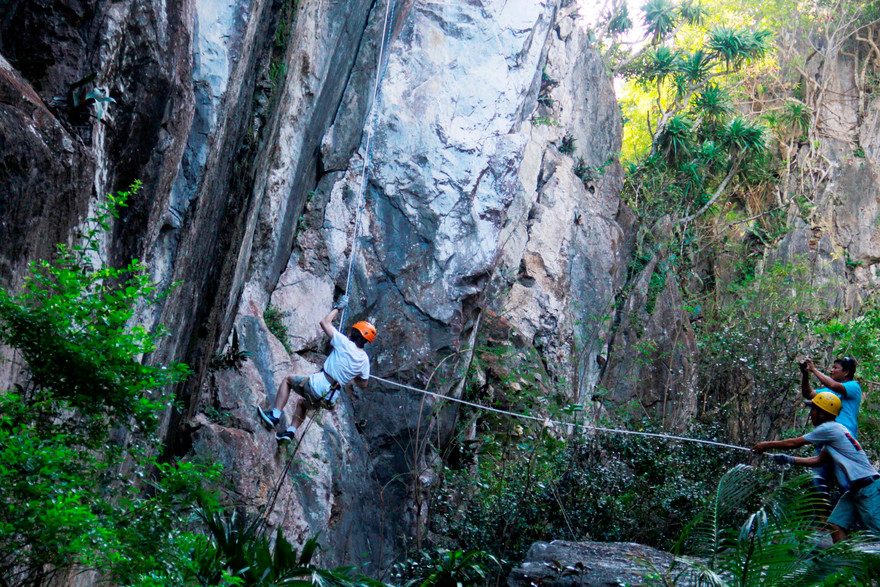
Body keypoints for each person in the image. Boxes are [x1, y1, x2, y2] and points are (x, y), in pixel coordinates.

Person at [753, 392, 880, 543]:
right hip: (856, 489)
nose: (811, 414)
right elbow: (819, 460)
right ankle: (844, 563)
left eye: (813, 410)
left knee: (877, 531)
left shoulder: (828, 428)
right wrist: (790, 460)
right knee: (836, 524)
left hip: (867, 488)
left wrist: (765, 445)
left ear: (823, 413)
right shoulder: (834, 432)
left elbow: (795, 443)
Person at [258, 295, 375, 443]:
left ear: (355, 333)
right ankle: (289, 432)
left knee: (288, 380)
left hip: (318, 385)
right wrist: (351, 373)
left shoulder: (344, 343)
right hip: (329, 398)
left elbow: (324, 323)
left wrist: (339, 307)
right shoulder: (364, 360)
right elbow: (363, 384)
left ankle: (274, 416)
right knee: (303, 403)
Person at [800, 357, 861, 492]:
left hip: (844, 441)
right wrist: (805, 374)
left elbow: (834, 385)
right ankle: (824, 512)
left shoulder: (853, 387)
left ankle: (852, 511)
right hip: (825, 440)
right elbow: (808, 393)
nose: (831, 370)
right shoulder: (828, 393)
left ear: (846, 373)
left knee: (845, 485)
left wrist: (814, 369)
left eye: (835, 368)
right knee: (819, 484)